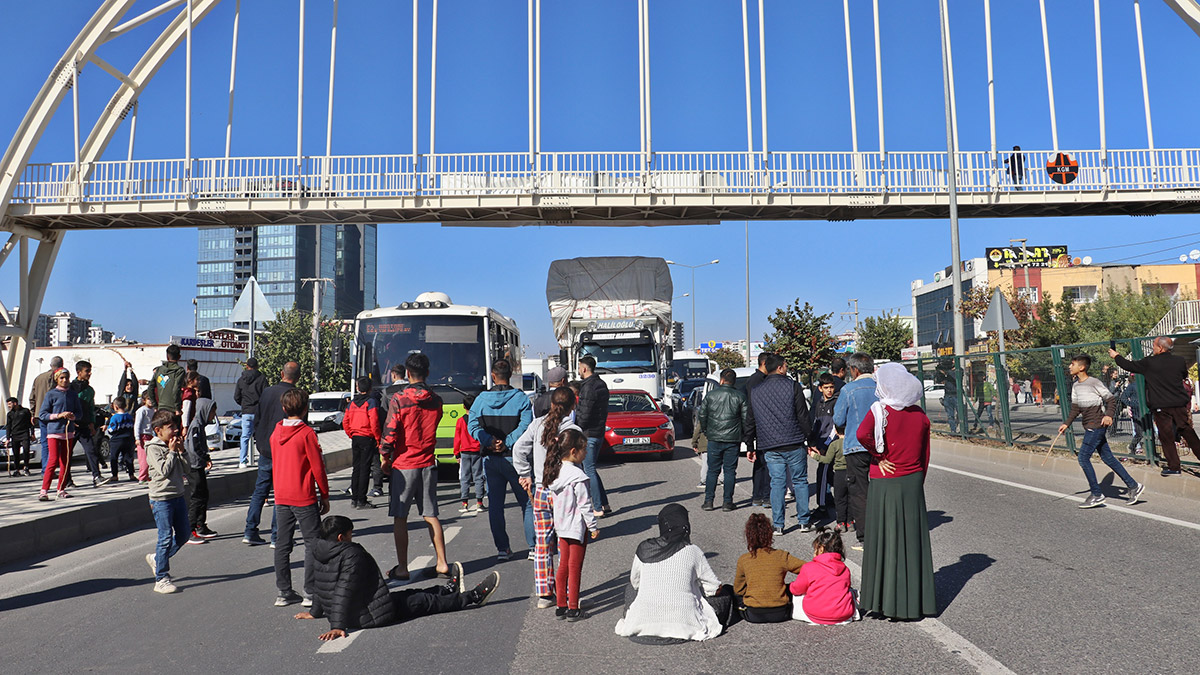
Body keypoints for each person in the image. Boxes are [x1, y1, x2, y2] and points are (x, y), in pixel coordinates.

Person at [293, 515, 500, 641]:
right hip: (370, 615)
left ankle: (445, 590)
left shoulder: (319, 550)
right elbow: (342, 591)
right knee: (424, 603)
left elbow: (321, 584)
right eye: (350, 534)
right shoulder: (350, 554)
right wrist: (337, 626)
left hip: (363, 607)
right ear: (341, 537)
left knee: (411, 594)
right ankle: (472, 597)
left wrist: (315, 612)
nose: (351, 537)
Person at [856, 363, 936, 621]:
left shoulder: (880, 410)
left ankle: (881, 600)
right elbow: (925, 454)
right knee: (911, 542)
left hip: (886, 481)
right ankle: (915, 603)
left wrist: (878, 456)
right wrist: (917, 479)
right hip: (912, 481)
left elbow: (862, 434)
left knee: (884, 540)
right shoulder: (920, 415)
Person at [614, 504, 733, 643]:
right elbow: (713, 588)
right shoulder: (693, 550)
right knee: (725, 595)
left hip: (643, 620)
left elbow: (635, 583)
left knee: (629, 589)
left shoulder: (645, 549)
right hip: (685, 623)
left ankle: (641, 618)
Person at [381, 354, 450, 580]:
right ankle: (442, 562)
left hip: (404, 463)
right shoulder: (437, 400)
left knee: (400, 517)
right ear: (427, 373)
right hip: (428, 462)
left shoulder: (399, 399)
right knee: (431, 515)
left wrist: (384, 456)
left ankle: (402, 567)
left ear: (407, 374)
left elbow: (390, 432)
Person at [514, 387, 580, 609]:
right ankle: (567, 591)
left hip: (542, 491)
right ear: (572, 406)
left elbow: (518, 449)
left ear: (552, 404)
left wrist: (525, 475)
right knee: (566, 542)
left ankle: (544, 593)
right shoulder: (572, 430)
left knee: (542, 543)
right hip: (564, 493)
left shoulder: (538, 424)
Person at [468, 358, 535, 560]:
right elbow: (526, 426)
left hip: (490, 459)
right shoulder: (521, 399)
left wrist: (489, 441)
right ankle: (533, 547)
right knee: (527, 504)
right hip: (515, 459)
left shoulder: (480, 400)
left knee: (496, 506)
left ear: (493, 376)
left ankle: (502, 549)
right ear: (510, 376)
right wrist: (507, 442)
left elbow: (472, 427)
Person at [1059, 355, 1145, 508]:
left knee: (1083, 458)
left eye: (1072, 364)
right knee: (1108, 458)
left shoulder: (1094, 382)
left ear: (1082, 367)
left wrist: (1109, 416)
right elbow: (1075, 408)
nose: (1070, 367)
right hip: (1090, 425)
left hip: (1096, 425)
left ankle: (1096, 494)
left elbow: (1111, 399)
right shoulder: (1076, 386)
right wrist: (1066, 424)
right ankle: (1133, 486)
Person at [272, 387, 331, 607]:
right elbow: (318, 467)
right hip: (303, 495)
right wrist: (324, 495)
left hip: (281, 495)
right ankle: (310, 592)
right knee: (311, 543)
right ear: (306, 408)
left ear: (284, 408)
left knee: (282, 545)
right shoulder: (307, 433)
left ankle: (283, 591)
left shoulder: (276, 432)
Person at [745, 353, 813, 535]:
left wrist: (750, 446)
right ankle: (804, 522)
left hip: (770, 444)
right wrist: (811, 439)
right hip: (794, 442)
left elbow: (750, 419)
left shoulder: (756, 391)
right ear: (781, 367)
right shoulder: (793, 387)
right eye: (786, 365)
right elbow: (803, 416)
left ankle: (778, 525)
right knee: (799, 481)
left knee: (777, 484)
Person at [1111, 337, 1200, 476]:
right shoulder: (1179, 361)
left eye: (1154, 345)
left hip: (1161, 406)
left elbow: (1129, 365)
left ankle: (1174, 467)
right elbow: (1183, 375)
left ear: (1160, 348)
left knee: (1166, 437)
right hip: (1178, 404)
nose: (1153, 348)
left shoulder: (1150, 363)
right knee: (1187, 432)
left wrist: (1116, 356)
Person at [545, 427, 600, 621]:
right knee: (575, 567)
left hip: (561, 526)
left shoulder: (556, 472)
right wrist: (593, 526)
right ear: (574, 451)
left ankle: (561, 605)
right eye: (584, 450)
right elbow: (585, 505)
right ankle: (574, 607)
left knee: (563, 567)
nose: (586, 453)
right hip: (576, 527)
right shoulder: (579, 477)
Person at [243, 362, 300, 546]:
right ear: (298, 377)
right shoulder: (296, 396)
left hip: (265, 448)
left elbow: (257, 419)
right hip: (285, 451)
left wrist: (260, 441)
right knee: (280, 494)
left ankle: (250, 531)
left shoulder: (267, 392)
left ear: (282, 373)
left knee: (260, 490)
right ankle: (277, 536)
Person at [832, 352, 878, 545]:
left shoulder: (848, 390)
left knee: (859, 491)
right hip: (880, 446)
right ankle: (883, 526)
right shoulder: (881, 388)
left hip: (856, 446)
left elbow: (838, 419)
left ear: (854, 370)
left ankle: (865, 533)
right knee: (880, 487)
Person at [144, 409, 191, 594]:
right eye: (170, 427)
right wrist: (172, 452)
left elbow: (187, 468)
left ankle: (157, 559)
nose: (176, 431)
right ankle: (161, 578)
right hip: (161, 499)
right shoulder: (153, 448)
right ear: (158, 430)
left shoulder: (174, 444)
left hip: (178, 495)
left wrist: (182, 451)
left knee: (184, 534)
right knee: (164, 537)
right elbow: (165, 470)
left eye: (176, 426)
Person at [733, 512, 805, 623]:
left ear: (748, 536)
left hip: (753, 614)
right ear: (769, 534)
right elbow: (807, 569)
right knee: (788, 587)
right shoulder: (781, 555)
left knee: (729, 590)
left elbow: (738, 589)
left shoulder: (744, 559)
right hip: (781, 613)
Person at [698, 368, 748, 512]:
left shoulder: (710, 395)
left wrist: (707, 432)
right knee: (730, 471)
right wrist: (743, 436)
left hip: (714, 438)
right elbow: (745, 419)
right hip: (733, 439)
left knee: (712, 471)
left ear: (721, 380)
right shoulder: (740, 396)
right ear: (734, 381)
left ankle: (708, 501)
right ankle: (727, 502)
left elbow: (702, 416)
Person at [788, 528, 858, 625]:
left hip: (815, 615)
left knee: (798, 596)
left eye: (815, 549)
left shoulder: (809, 567)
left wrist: (791, 586)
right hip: (843, 614)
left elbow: (796, 590)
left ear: (821, 549)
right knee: (850, 591)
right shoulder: (845, 569)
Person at [574, 356, 611, 518]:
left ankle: (597, 507)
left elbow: (585, 414)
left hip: (588, 433)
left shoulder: (588, 387)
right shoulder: (601, 384)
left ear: (584, 368)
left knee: (589, 470)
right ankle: (604, 503)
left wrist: (576, 428)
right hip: (599, 432)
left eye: (579, 367)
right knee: (592, 469)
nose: (579, 371)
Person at [38, 368, 80, 500]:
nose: (64, 380)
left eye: (66, 378)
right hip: (54, 432)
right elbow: (43, 414)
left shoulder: (73, 395)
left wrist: (73, 417)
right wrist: (59, 415)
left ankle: (61, 489)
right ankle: (44, 490)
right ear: (57, 379)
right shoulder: (51, 394)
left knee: (65, 462)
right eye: (61, 378)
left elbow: (79, 413)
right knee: (53, 460)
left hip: (68, 433)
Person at [342, 376, 381, 510]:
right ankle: (361, 500)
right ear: (370, 389)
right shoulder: (371, 402)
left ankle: (354, 499)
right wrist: (377, 438)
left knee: (356, 468)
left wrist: (351, 434)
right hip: (367, 437)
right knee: (365, 469)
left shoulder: (351, 403)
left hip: (355, 437)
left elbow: (345, 422)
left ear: (358, 388)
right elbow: (374, 422)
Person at [184, 392, 217, 542]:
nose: (213, 415)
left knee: (204, 494)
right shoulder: (195, 426)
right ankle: (190, 529)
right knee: (197, 496)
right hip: (194, 466)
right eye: (212, 412)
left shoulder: (200, 425)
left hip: (199, 465)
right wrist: (205, 457)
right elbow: (194, 447)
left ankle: (200, 525)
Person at [808, 373, 839, 518]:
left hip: (830, 445)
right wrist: (812, 442)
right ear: (820, 388)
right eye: (826, 387)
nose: (829, 390)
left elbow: (835, 428)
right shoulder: (819, 404)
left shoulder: (836, 403)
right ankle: (834, 499)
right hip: (820, 444)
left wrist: (826, 445)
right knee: (829, 475)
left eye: (831, 387)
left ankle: (821, 507)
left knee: (822, 473)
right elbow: (816, 426)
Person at [70, 360, 106, 487]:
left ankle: (96, 475)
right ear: (79, 372)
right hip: (71, 426)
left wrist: (92, 423)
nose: (89, 373)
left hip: (84, 426)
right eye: (87, 371)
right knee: (68, 454)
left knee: (91, 450)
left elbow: (91, 408)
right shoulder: (70, 388)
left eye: (90, 371)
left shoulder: (90, 390)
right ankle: (67, 480)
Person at [30, 356, 63, 475]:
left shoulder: (39, 378)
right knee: (55, 442)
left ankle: (45, 469)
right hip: (53, 414)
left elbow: (32, 397)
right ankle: (51, 468)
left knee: (45, 443)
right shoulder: (56, 378)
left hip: (40, 414)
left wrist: (33, 413)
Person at [453, 393, 485, 514]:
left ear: (463, 406)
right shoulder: (478, 420)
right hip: (477, 451)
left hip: (465, 452)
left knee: (465, 477)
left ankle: (464, 503)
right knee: (478, 477)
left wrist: (456, 453)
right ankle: (479, 502)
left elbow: (457, 438)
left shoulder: (460, 421)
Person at [809, 435, 848, 531]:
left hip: (828, 442)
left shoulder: (835, 441)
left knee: (823, 473)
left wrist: (821, 448)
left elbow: (831, 429)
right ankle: (849, 519)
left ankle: (823, 507)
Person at [234, 357, 266, 468]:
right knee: (261, 436)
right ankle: (263, 458)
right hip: (258, 411)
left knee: (245, 436)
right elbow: (265, 395)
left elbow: (236, 397)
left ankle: (242, 461)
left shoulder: (241, 380)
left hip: (246, 411)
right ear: (257, 366)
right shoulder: (262, 378)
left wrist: (244, 405)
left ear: (247, 366)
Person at [104, 397, 136, 483]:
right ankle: (131, 474)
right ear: (125, 406)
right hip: (128, 439)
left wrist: (107, 429)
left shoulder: (115, 418)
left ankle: (115, 475)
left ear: (116, 407)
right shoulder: (129, 416)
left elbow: (111, 429)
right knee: (128, 457)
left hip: (117, 440)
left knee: (114, 457)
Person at [150, 344, 187, 414]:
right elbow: (176, 389)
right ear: (179, 357)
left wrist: (155, 405)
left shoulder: (158, 370)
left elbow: (150, 388)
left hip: (161, 408)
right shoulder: (179, 371)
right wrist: (177, 408)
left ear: (167, 356)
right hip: (172, 409)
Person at [5, 397, 34, 476]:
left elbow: (30, 423)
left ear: (15, 403)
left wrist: (32, 433)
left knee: (26, 450)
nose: (9, 406)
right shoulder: (10, 414)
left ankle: (26, 467)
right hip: (15, 435)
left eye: (10, 404)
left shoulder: (25, 411)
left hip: (24, 433)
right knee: (15, 453)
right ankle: (16, 469)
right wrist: (7, 438)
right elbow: (8, 426)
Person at [134, 392, 155, 484]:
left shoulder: (153, 410)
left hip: (150, 435)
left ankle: (146, 476)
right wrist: (137, 438)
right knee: (143, 457)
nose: (150, 401)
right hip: (143, 436)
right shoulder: (142, 410)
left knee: (150, 457)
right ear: (144, 400)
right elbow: (137, 424)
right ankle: (142, 477)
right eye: (148, 399)